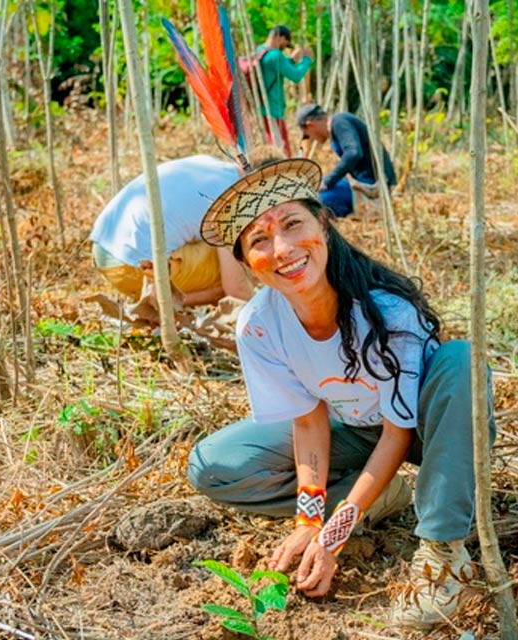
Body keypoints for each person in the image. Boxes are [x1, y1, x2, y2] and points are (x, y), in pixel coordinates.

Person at [186, 157, 494, 630]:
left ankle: (443, 555)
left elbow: (398, 430)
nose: (283, 248)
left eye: (293, 224)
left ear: (323, 224)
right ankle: (383, 496)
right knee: (214, 466)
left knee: (460, 361)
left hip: (426, 431)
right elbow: (308, 420)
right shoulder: (260, 326)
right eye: (260, 240)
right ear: (248, 263)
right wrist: (310, 520)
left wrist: (336, 533)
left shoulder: (387, 311)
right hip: (353, 427)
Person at [89, 155, 254, 311]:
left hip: (102, 251)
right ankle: (159, 302)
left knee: (224, 250)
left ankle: (162, 300)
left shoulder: (208, 163)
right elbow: (237, 292)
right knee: (244, 258)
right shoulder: (234, 199)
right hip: (130, 267)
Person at [296, 103, 398, 218]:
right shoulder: (338, 125)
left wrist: (327, 181)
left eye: (308, 135)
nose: (313, 139)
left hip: (371, 184)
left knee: (318, 202)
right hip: (361, 181)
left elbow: (353, 153)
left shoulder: (339, 122)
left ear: (310, 125)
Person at [256, 26, 314, 157]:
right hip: (273, 110)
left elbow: (272, 68)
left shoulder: (260, 50)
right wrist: (307, 60)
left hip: (263, 108)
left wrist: (291, 60)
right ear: (280, 38)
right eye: (285, 44)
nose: (285, 47)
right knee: (281, 149)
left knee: (273, 145)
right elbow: (296, 75)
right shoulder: (276, 55)